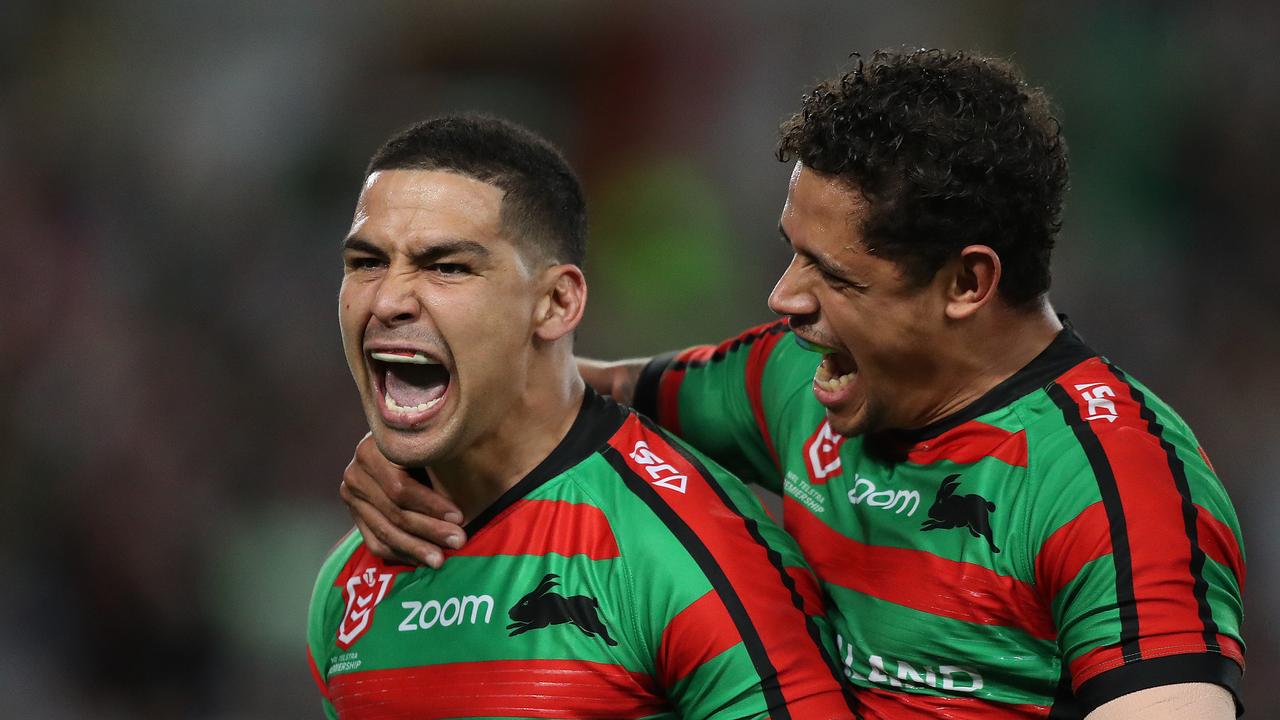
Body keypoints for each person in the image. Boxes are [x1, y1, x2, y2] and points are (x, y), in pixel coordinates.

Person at [338, 51, 1247, 719]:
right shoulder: (799, 378)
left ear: (967, 284)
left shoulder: (1115, 479)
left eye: (834, 276)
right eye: (791, 253)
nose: (784, 300)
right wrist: (421, 444)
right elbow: (575, 394)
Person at [307, 114, 859, 720]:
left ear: (556, 302)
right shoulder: (346, 584)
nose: (387, 300)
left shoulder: (685, 554)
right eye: (365, 262)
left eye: (447, 266)